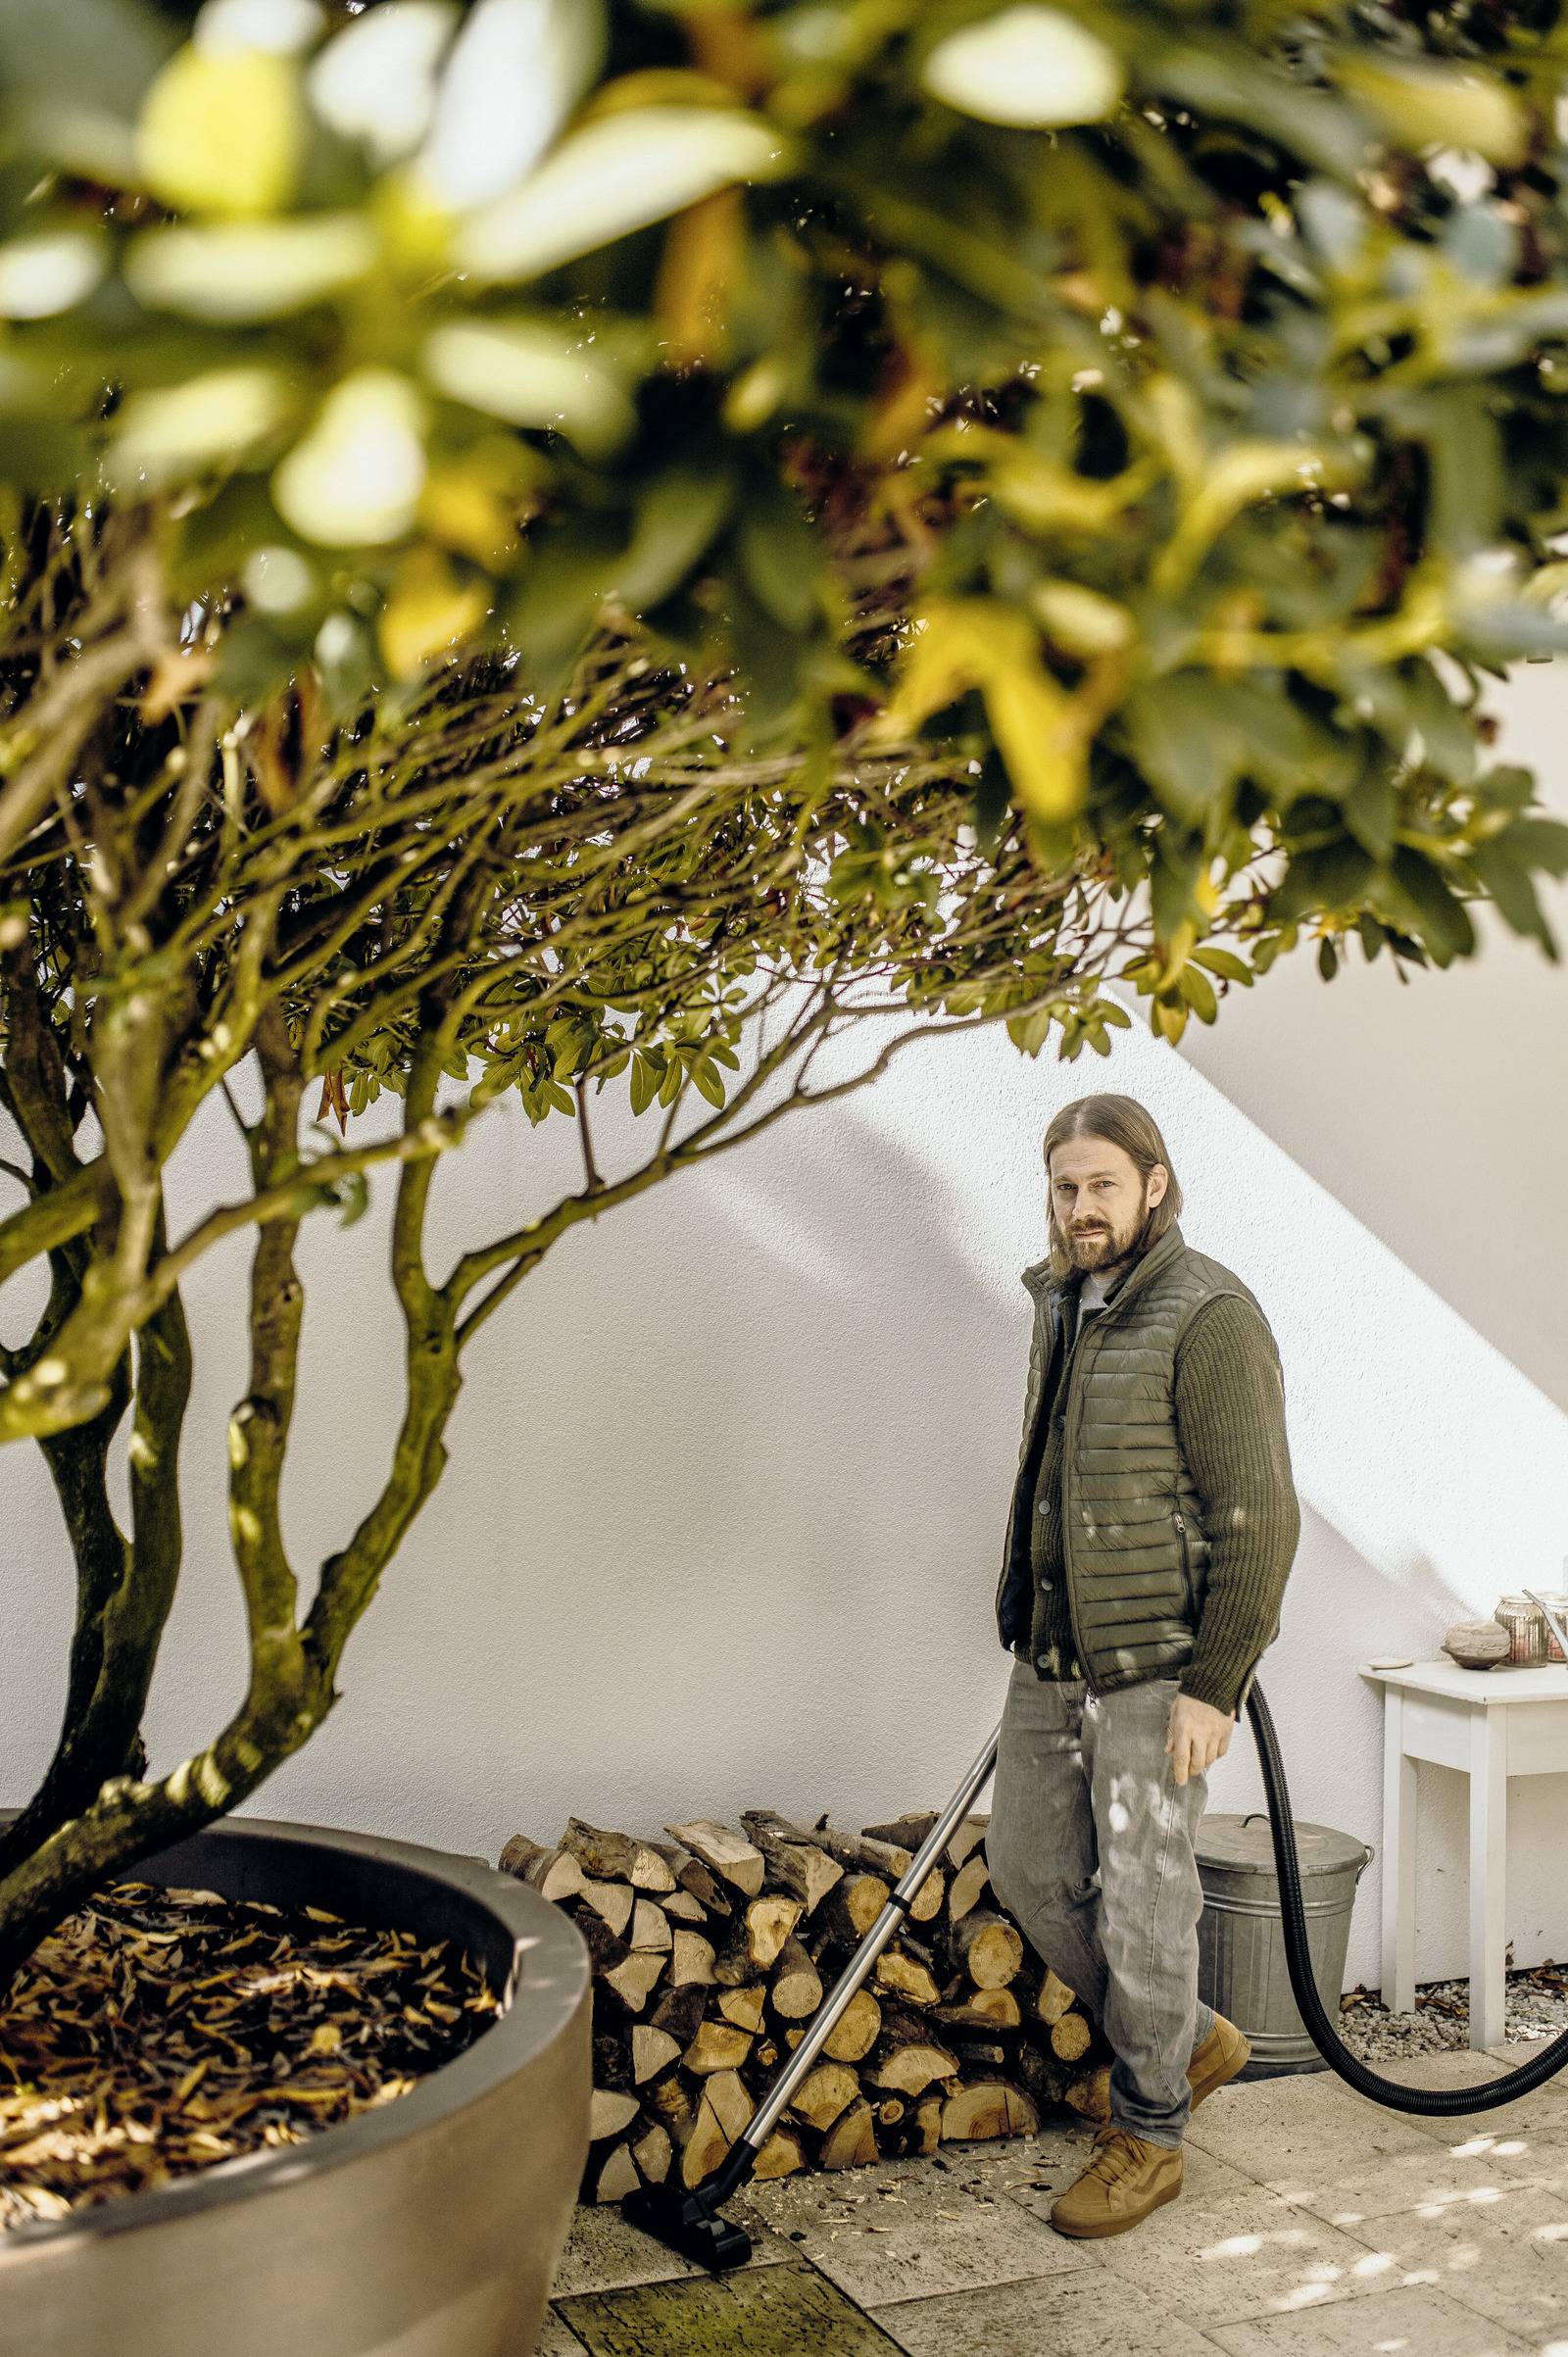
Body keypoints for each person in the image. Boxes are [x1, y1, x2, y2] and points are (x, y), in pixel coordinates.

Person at [986, 1091, 1300, 2238]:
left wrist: (1215, 1681)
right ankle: (1191, 2035)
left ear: (1153, 1184)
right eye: (1065, 1186)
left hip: (1157, 1660)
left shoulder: (1207, 1311)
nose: (1080, 1206)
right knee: (1024, 1865)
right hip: (1055, 1644)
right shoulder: (1060, 1300)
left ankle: (1151, 2133)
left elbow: (1258, 1515)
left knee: (1147, 1899)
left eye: (1102, 1184)